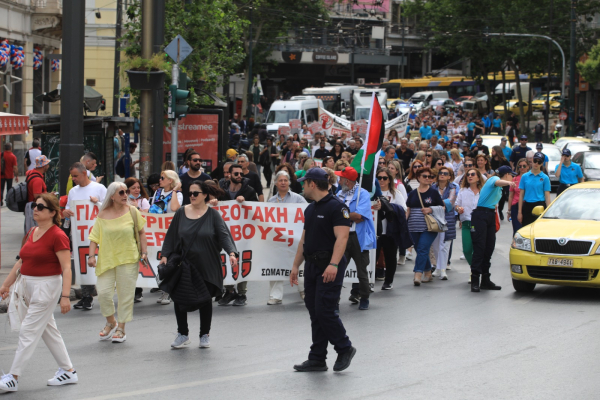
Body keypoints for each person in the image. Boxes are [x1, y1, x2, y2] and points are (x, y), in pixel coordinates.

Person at [0, 194, 77, 393]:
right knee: (48, 330)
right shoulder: (32, 231)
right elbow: (22, 260)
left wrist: (65, 296)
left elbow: (66, 268)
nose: (35, 209)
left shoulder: (58, 235)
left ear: (53, 213)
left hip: (47, 287)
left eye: (40, 207)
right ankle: (68, 370)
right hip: (27, 285)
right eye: (34, 206)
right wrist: (6, 284)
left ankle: (13, 377)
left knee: (29, 330)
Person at [290, 168, 356, 373]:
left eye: (304, 182)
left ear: (312, 183)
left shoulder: (337, 207)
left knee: (325, 310)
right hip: (311, 265)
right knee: (314, 311)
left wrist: (334, 264)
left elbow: (342, 238)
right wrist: (295, 266)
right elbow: (304, 240)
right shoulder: (310, 209)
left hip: (329, 264)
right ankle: (317, 358)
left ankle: (344, 347)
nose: (302, 186)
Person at [161, 181, 238, 349]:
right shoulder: (181, 213)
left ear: (205, 195)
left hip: (207, 264)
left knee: (205, 298)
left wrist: (231, 253)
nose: (192, 196)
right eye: (190, 193)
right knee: (179, 296)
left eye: (196, 193)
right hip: (184, 264)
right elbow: (171, 235)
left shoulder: (213, 215)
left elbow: (224, 235)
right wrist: (165, 255)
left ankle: (204, 334)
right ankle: (183, 334)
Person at [88, 182, 148, 343]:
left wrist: (144, 252)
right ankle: (111, 321)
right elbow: (94, 237)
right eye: (121, 192)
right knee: (103, 293)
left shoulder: (133, 212)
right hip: (107, 260)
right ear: (112, 196)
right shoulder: (102, 214)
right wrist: (91, 256)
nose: (125, 195)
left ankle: (121, 328)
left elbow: (142, 233)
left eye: (126, 192)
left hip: (128, 258)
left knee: (125, 295)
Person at [62, 162, 107, 311]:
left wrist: (97, 202)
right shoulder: (73, 192)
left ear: (84, 174)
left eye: (75, 176)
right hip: (80, 233)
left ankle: (101, 294)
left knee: (98, 263)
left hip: (96, 232)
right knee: (83, 264)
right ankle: (86, 296)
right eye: (72, 176)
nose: (73, 179)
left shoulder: (99, 188)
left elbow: (110, 207)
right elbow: (69, 209)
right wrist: (65, 213)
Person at [335, 167, 376, 310]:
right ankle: (335, 300)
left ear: (347, 181)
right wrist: (348, 215)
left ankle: (364, 297)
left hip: (358, 238)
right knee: (338, 270)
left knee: (361, 272)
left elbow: (359, 217)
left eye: (341, 178)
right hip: (342, 237)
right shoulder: (339, 193)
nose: (338, 181)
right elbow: (337, 215)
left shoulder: (362, 194)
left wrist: (342, 215)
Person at [470, 166, 517, 292]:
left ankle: (485, 279)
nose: (512, 177)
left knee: (489, 247)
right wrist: (508, 183)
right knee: (479, 248)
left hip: (490, 215)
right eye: (511, 175)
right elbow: (498, 181)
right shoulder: (494, 179)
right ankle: (475, 279)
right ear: (506, 174)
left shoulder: (499, 188)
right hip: (481, 215)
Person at [219, 164, 258, 306]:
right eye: (236, 174)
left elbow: (256, 209)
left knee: (242, 261)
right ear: (229, 175)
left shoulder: (249, 190)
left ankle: (242, 294)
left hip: (243, 234)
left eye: (241, 173)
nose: (239, 176)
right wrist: (214, 202)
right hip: (226, 232)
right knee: (225, 260)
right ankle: (229, 291)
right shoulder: (222, 190)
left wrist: (246, 202)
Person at [267, 171, 307, 304]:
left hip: (295, 239)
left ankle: (304, 291)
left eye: (285, 180)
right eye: (280, 180)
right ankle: (275, 296)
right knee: (276, 265)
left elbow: (307, 213)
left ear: (289, 182)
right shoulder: (271, 201)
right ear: (276, 183)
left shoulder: (298, 199)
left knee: (300, 265)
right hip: (278, 240)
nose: (283, 182)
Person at [405, 167, 444, 285]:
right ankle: (428, 273)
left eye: (430, 176)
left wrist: (430, 209)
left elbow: (442, 207)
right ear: (418, 178)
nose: (428, 178)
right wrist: (403, 224)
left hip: (429, 227)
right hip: (413, 226)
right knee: (421, 250)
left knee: (422, 248)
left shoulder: (433, 192)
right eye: (425, 176)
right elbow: (408, 209)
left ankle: (418, 273)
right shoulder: (412, 193)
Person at [376, 167, 406, 289]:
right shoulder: (372, 193)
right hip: (375, 230)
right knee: (373, 257)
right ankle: (369, 280)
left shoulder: (395, 194)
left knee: (390, 256)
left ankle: (388, 281)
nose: (382, 180)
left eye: (385, 178)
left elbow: (403, 209)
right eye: (379, 178)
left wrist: (387, 206)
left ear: (389, 180)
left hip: (390, 230)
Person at [455, 168, 484, 282]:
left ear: (478, 177)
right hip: (467, 222)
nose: (470, 176)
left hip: (480, 223)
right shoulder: (463, 191)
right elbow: (456, 205)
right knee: (467, 249)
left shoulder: (483, 191)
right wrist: (459, 209)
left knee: (478, 249)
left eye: (473, 174)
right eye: (468, 175)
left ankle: (475, 272)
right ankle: (475, 268)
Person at [431, 166, 457, 280]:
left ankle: (443, 269)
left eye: (445, 173)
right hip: (435, 218)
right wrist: (438, 204)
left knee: (445, 245)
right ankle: (437, 268)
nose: (442, 175)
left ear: (449, 177)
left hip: (448, 219)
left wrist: (437, 203)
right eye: (441, 173)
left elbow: (450, 203)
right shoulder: (433, 187)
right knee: (436, 245)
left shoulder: (453, 188)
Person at [518, 152, 551, 227]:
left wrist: (548, 212)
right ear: (532, 161)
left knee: (539, 229)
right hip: (527, 205)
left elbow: (547, 196)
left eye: (539, 162)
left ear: (542, 164)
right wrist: (519, 212)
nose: (536, 164)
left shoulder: (545, 178)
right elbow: (521, 195)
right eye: (535, 161)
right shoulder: (525, 176)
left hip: (539, 205)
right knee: (526, 229)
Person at [24, 156, 50, 237]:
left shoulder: (31, 173)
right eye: (47, 164)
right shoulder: (37, 180)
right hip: (35, 207)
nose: (48, 166)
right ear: (44, 166)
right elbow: (37, 195)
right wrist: (49, 196)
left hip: (31, 206)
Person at [507, 158, 528, 234]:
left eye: (524, 166)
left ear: (528, 167)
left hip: (527, 205)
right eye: (520, 166)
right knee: (517, 230)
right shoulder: (515, 179)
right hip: (515, 205)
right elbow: (511, 196)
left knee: (526, 230)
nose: (522, 168)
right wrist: (509, 210)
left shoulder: (530, 178)